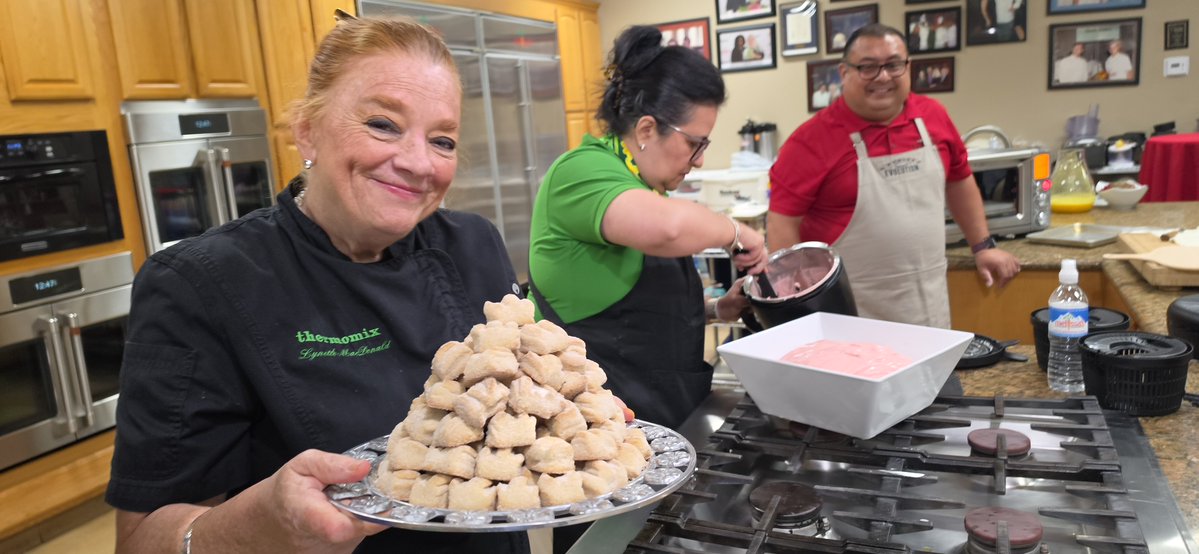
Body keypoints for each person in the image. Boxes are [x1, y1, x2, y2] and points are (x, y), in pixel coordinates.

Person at [105, 15, 531, 554]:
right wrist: (263, 522)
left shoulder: (473, 242)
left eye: (442, 140)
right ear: (307, 129)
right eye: (382, 123)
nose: (418, 162)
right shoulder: (199, 284)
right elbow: (141, 540)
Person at [529, 25, 768, 431]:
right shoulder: (582, 171)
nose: (699, 160)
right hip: (595, 425)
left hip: (662, 413)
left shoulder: (641, 185)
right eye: (696, 143)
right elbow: (670, 230)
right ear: (645, 130)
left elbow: (640, 316)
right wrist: (738, 232)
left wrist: (715, 310)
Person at [766, 24, 1020, 394]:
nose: (882, 77)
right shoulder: (810, 142)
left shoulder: (933, 117)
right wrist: (799, 307)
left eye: (893, 65)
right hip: (852, 330)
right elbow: (782, 221)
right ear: (844, 73)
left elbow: (960, 180)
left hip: (929, 322)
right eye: (867, 67)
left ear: (908, 67)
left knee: (939, 421)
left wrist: (983, 246)